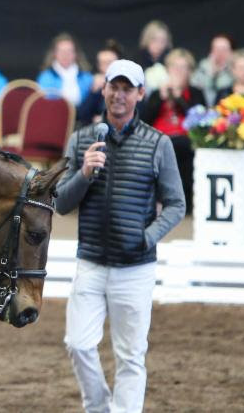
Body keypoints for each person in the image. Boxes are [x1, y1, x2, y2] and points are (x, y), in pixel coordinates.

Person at [55, 59, 185, 413]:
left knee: (131, 356)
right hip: (91, 262)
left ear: (140, 94)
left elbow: (176, 204)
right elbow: (61, 203)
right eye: (114, 87)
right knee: (78, 344)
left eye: (128, 89)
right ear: (104, 89)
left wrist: (147, 238)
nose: (119, 95)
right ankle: (98, 406)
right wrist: (83, 173)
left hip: (136, 268)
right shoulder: (82, 139)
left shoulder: (159, 144)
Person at [141, 48, 205, 214]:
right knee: (164, 146)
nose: (178, 72)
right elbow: (144, 119)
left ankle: (179, 202)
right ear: (168, 69)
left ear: (190, 71)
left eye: (183, 68)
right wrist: (161, 99)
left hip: (186, 140)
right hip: (159, 139)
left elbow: (199, 120)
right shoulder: (157, 93)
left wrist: (179, 98)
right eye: (175, 67)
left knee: (181, 147)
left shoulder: (196, 93)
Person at [36, 32, 94, 111]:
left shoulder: (86, 77)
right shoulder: (45, 77)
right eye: (62, 51)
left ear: (75, 54)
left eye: (69, 51)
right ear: (55, 54)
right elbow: (44, 102)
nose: (65, 55)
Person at [77, 40, 120, 125]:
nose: (106, 67)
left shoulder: (129, 84)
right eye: (102, 63)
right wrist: (94, 92)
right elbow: (82, 115)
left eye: (109, 63)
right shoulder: (97, 85)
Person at [191, 33, 235, 106]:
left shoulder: (235, 71)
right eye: (217, 49)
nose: (220, 53)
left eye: (224, 49)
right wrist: (211, 74)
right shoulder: (201, 69)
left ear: (231, 52)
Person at [135, 20, 172, 94]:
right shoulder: (137, 62)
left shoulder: (171, 60)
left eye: (163, 41)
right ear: (147, 39)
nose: (159, 45)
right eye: (155, 40)